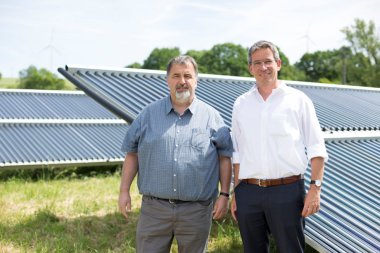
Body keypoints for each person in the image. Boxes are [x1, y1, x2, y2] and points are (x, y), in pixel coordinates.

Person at [118, 55, 233, 253]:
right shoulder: (148, 114)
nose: (182, 81)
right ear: (167, 80)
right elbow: (132, 153)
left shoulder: (212, 117)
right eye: (176, 76)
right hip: (154, 210)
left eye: (187, 76)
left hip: (196, 210)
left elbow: (225, 157)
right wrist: (123, 191)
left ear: (196, 80)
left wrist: (224, 194)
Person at [230, 40, 328, 252]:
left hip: (287, 191)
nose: (263, 67)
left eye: (268, 61)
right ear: (250, 68)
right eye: (257, 63)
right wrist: (236, 193)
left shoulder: (298, 100)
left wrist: (315, 188)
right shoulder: (241, 104)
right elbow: (237, 154)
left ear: (278, 63)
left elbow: (316, 147)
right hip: (248, 191)